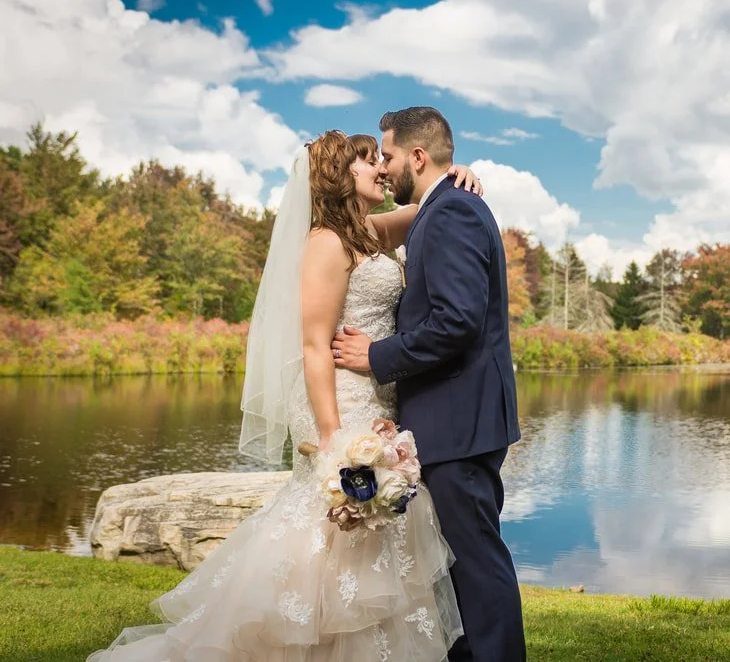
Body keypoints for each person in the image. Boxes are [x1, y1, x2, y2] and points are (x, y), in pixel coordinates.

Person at [88, 130, 484, 661]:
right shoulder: (325, 242)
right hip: (341, 401)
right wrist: (331, 440)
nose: (379, 171)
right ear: (342, 176)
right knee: (334, 531)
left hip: (379, 399)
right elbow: (315, 346)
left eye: (379, 160)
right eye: (369, 163)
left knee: (376, 536)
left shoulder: (369, 232)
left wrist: (461, 176)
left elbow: (427, 205)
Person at [330, 107, 526, 661]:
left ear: (417, 156)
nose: (384, 167)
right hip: (453, 421)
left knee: (476, 564)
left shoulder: (451, 213)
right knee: (456, 565)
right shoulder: (442, 207)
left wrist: (376, 355)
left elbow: (458, 322)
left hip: (457, 422)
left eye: (388, 155)